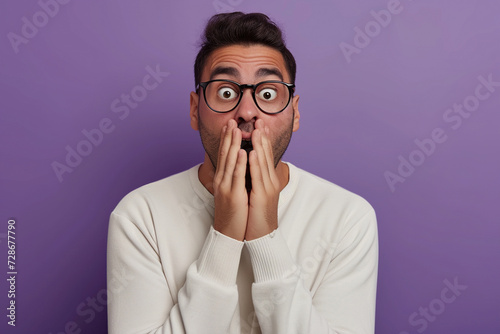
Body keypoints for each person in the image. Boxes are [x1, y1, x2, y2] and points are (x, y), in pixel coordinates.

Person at [107, 12, 378, 334]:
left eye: (267, 94)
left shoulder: (347, 217)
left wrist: (266, 236)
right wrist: (224, 232)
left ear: (294, 112)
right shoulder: (140, 215)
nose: (246, 112)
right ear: (195, 110)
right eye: (225, 92)